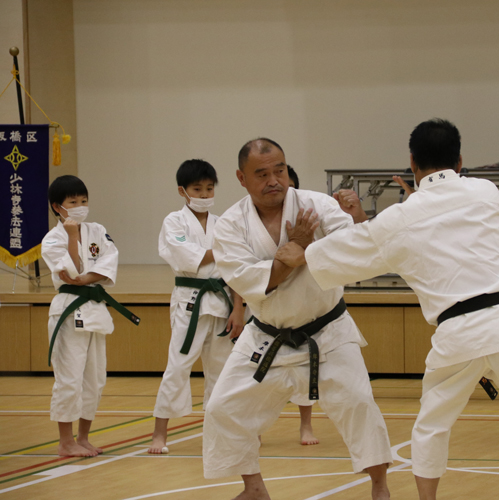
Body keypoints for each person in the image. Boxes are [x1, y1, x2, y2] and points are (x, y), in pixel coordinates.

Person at [277, 119, 499, 500]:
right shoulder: (486, 192)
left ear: (411, 161)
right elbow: (442, 225)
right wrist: (417, 200)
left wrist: (303, 253)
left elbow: (361, 250)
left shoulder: (399, 218)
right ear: (460, 159)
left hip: (457, 334)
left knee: (432, 424)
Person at [202, 138, 391, 500]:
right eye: (262, 174)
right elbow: (255, 283)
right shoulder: (229, 226)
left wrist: (306, 248)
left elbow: (354, 253)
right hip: (267, 336)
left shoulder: (316, 206)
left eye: (280, 170)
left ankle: (380, 487)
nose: (274, 179)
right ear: (242, 178)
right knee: (224, 407)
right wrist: (289, 257)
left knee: (360, 405)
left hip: (328, 330)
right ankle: (254, 489)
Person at [147, 160, 245, 454]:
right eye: (197, 189)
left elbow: (237, 266)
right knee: (177, 366)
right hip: (190, 302)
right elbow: (192, 257)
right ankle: (159, 434)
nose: (204, 194)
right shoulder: (174, 222)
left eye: (209, 188)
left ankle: (222, 431)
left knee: (222, 370)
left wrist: (238, 308)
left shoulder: (223, 222)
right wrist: (224, 251)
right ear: (183, 191)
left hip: (223, 301)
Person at [42, 175, 139, 457]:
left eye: (83, 201)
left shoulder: (97, 230)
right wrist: (72, 239)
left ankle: (83, 437)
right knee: (69, 378)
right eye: (73, 202)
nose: (81, 206)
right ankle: (65, 441)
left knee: (94, 378)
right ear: (57, 207)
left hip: (95, 310)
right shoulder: (53, 239)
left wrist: (84, 279)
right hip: (68, 310)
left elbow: (109, 262)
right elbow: (69, 274)